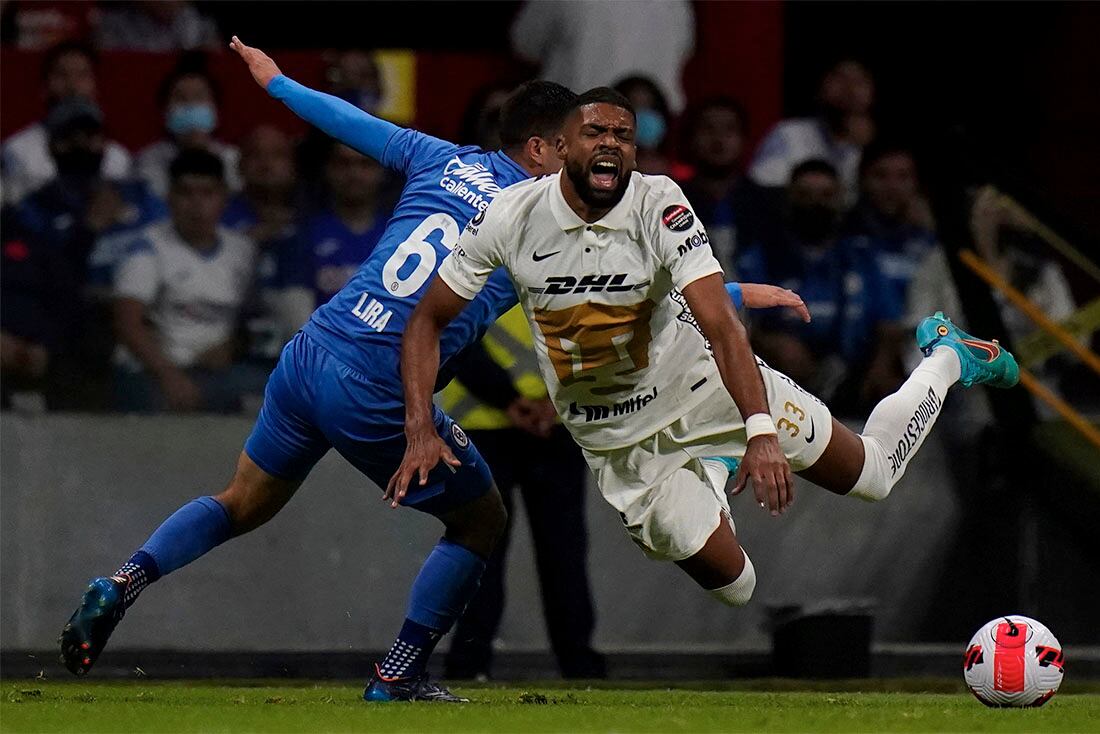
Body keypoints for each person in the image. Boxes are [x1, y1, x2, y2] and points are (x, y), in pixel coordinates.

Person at [59, 37, 578, 704]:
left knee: (240, 501)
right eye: (570, 145)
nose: (580, 158)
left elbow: (347, 121)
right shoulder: (538, 219)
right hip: (376, 384)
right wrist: (717, 295)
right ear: (539, 148)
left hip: (313, 350)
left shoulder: (440, 158)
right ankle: (399, 672)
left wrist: (276, 82)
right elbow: (613, 287)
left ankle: (124, 581)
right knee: (479, 521)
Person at [393, 88, 1020, 618]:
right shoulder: (511, 216)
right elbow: (427, 319)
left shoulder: (658, 200)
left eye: (624, 134)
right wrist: (419, 426)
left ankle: (947, 356)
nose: (611, 142)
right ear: (560, 148)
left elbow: (720, 325)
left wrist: (761, 432)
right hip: (618, 440)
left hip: (708, 388)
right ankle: (715, 470)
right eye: (594, 132)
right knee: (736, 587)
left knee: (874, 476)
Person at [440, 321, 605, 681]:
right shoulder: (577, 267)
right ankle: (579, 667)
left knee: (482, 552)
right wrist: (551, 401)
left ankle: (469, 665)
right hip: (537, 423)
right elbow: (594, 336)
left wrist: (510, 399)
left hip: (488, 425)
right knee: (559, 552)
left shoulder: (468, 265)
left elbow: (456, 336)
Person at [737, 159, 903, 409]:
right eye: (805, 195)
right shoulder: (761, 258)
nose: (815, 204)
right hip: (780, 389)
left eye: (826, 195)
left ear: (841, 200)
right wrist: (770, 343)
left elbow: (890, 324)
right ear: (788, 199)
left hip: (854, 386)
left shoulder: (862, 257)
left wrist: (881, 365)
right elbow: (733, 322)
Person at [111, 150, 264, 413]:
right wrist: (168, 375)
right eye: (185, 193)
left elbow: (256, 322)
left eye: (207, 194)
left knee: (275, 392)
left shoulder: (243, 250)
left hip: (218, 371)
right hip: (153, 370)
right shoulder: (148, 247)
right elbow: (127, 322)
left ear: (224, 197)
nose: (196, 204)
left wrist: (233, 347)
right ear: (169, 197)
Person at [1, 41, 132, 205]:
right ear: (44, 87)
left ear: (95, 86)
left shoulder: (118, 157)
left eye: (82, 75)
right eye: (61, 75)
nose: (72, 86)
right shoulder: (17, 150)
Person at [511, 0, 694, 112]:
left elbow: (525, 46)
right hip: (651, 126)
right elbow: (685, 51)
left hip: (576, 118)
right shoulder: (676, 4)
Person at [749, 59, 874, 202]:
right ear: (821, 87)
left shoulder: (876, 147)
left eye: (859, 81)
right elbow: (764, 189)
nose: (849, 88)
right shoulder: (790, 134)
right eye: (840, 78)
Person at [677, 96, 765, 270]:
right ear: (692, 138)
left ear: (744, 139)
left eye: (729, 130)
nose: (718, 139)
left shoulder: (766, 204)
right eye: (708, 129)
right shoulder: (674, 200)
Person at [135, 59, 241, 199]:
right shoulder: (148, 161)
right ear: (165, 111)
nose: (191, 106)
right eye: (180, 98)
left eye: (199, 97)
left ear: (216, 108)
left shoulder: (233, 160)